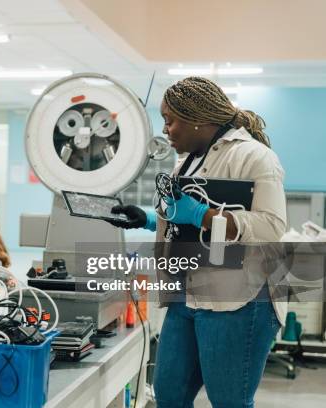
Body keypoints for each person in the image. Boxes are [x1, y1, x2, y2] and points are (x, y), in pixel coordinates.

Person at [110, 77, 286, 408]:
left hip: (239, 301)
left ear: (197, 119)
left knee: (229, 401)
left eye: (170, 120)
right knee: (169, 395)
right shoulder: (187, 161)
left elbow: (271, 227)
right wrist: (149, 219)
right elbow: (184, 219)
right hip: (187, 295)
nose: (166, 130)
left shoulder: (254, 157)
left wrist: (202, 214)